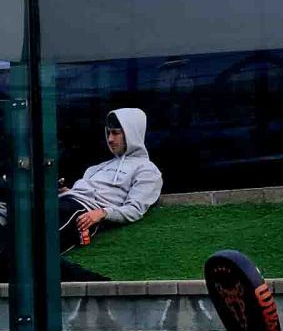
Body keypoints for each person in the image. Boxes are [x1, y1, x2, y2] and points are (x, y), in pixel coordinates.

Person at [0, 107, 162, 280]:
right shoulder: (96, 168)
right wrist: (66, 191)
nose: (110, 139)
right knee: (10, 214)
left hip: (82, 210)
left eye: (116, 133)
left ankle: (90, 280)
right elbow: (82, 192)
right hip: (65, 201)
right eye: (108, 133)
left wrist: (103, 213)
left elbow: (135, 208)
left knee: (24, 244)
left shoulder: (147, 170)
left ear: (132, 134)